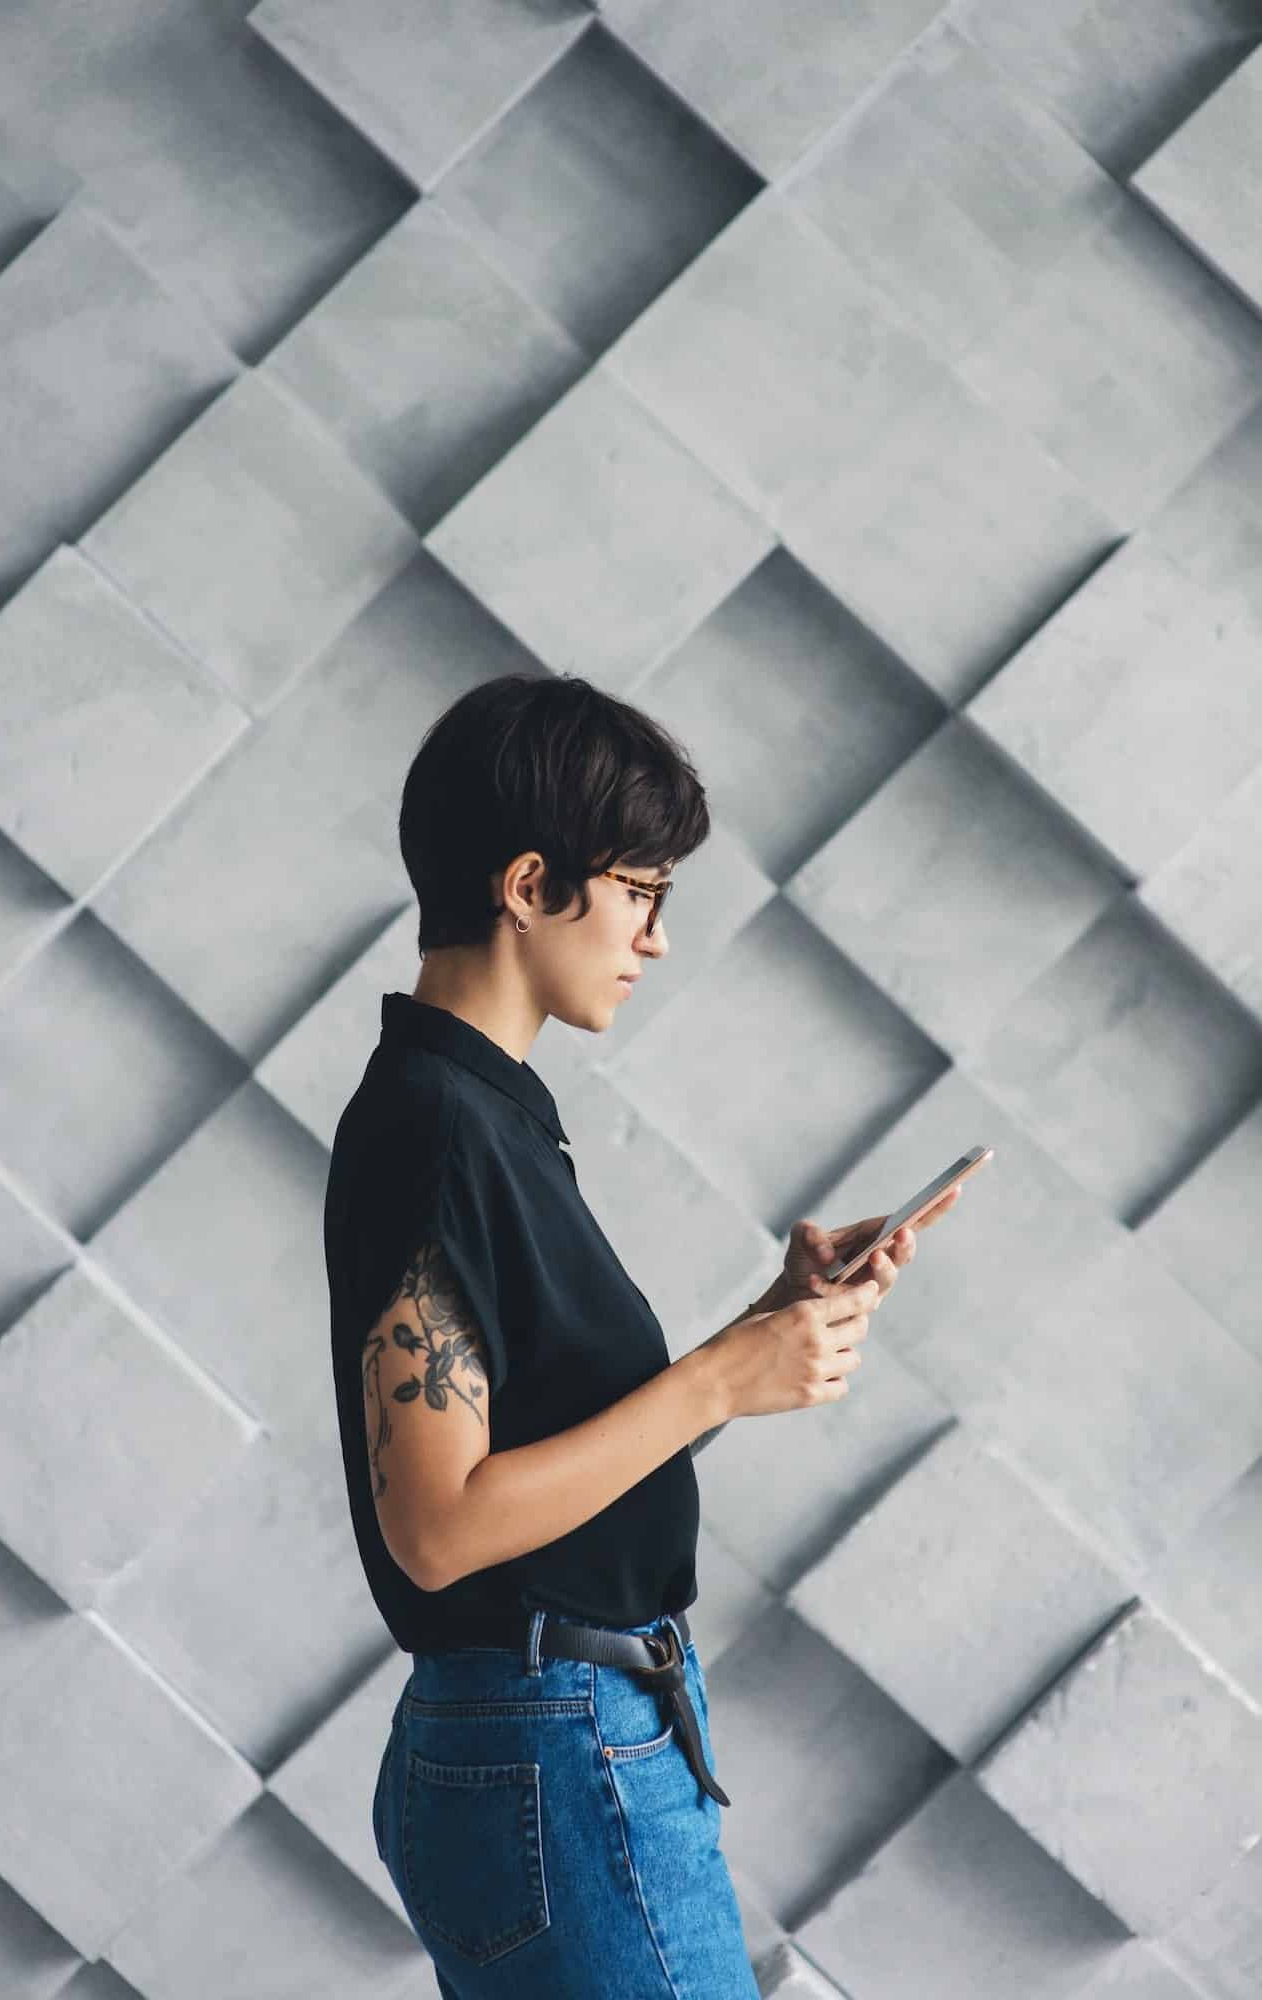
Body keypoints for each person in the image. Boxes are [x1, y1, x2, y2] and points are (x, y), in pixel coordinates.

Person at [322, 672, 884, 1998]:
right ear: (531, 884)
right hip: (554, 1742)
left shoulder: (485, 1112)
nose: (655, 940)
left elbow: (540, 1427)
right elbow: (441, 1525)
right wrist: (717, 1385)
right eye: (641, 893)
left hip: (558, 1733)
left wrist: (765, 1329)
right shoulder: (436, 1127)